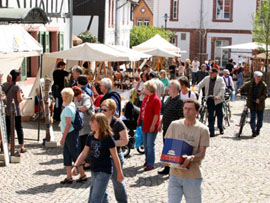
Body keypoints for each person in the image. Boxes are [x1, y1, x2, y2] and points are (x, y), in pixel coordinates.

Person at [164, 99, 210, 203]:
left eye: (190, 109)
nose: (187, 111)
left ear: (197, 112)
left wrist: (191, 158)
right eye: (185, 108)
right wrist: (165, 158)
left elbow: (202, 154)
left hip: (192, 176)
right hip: (174, 174)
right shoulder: (174, 125)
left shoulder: (203, 129)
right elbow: (168, 146)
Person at [71, 113, 124, 203]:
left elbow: (115, 157)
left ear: (100, 124)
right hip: (94, 170)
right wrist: (75, 165)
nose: (90, 124)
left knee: (94, 199)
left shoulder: (108, 138)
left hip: (104, 171)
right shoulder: (90, 137)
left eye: (92, 122)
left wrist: (119, 173)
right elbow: (84, 153)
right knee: (101, 197)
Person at [100, 99, 129, 202]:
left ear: (112, 111)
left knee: (118, 182)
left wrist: (110, 143)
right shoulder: (100, 122)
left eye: (105, 110)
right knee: (101, 182)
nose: (102, 112)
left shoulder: (118, 123)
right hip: (102, 156)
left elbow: (125, 141)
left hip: (115, 155)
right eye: (101, 109)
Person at [59, 88, 86, 184]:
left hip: (70, 134)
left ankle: (82, 175)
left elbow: (68, 124)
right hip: (71, 134)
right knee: (67, 154)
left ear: (65, 97)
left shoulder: (67, 109)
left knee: (75, 154)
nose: (62, 98)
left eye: (63, 96)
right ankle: (69, 176)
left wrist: (63, 138)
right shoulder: (72, 105)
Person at [158, 80, 184, 175]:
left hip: (174, 130)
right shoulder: (169, 99)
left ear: (176, 89)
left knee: (174, 150)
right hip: (166, 128)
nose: (168, 88)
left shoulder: (179, 101)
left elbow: (181, 117)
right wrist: (161, 123)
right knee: (166, 148)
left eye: (170, 87)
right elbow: (165, 113)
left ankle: (174, 169)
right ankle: (167, 167)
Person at [137, 81, 161, 171]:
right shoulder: (146, 97)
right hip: (144, 123)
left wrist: (153, 125)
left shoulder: (156, 100)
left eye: (145, 88)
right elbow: (142, 109)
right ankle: (147, 159)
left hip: (151, 124)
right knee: (146, 144)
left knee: (150, 144)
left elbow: (156, 114)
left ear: (149, 89)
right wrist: (139, 118)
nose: (144, 89)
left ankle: (151, 163)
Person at [2, 69, 26, 153]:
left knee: (8, 129)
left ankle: (8, 146)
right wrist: (22, 96)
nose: (20, 76)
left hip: (7, 110)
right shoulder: (17, 87)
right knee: (19, 128)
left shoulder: (5, 86)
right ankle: (21, 146)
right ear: (16, 76)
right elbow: (19, 99)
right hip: (16, 110)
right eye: (19, 75)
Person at [197, 68, 226, 137]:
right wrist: (196, 90)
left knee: (220, 115)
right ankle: (211, 131)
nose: (210, 74)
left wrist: (218, 96)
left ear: (216, 73)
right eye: (210, 73)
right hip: (209, 99)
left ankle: (220, 127)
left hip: (218, 100)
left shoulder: (220, 79)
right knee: (210, 116)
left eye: (212, 73)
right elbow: (200, 85)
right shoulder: (206, 78)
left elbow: (222, 89)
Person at [239, 71, 267, 137]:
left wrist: (260, 99)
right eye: (257, 77)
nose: (259, 78)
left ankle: (258, 129)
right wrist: (239, 92)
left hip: (260, 104)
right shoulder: (249, 84)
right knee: (253, 117)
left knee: (260, 119)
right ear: (254, 77)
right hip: (251, 103)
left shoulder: (263, 85)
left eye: (260, 77)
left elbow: (265, 94)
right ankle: (253, 131)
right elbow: (241, 89)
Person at [72, 86, 94, 169]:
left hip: (89, 124)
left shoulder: (86, 97)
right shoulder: (75, 98)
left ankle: (88, 162)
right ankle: (83, 161)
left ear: (80, 93)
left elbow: (85, 107)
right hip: (80, 125)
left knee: (86, 143)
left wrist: (75, 108)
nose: (77, 98)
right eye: (75, 97)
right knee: (80, 143)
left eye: (78, 96)